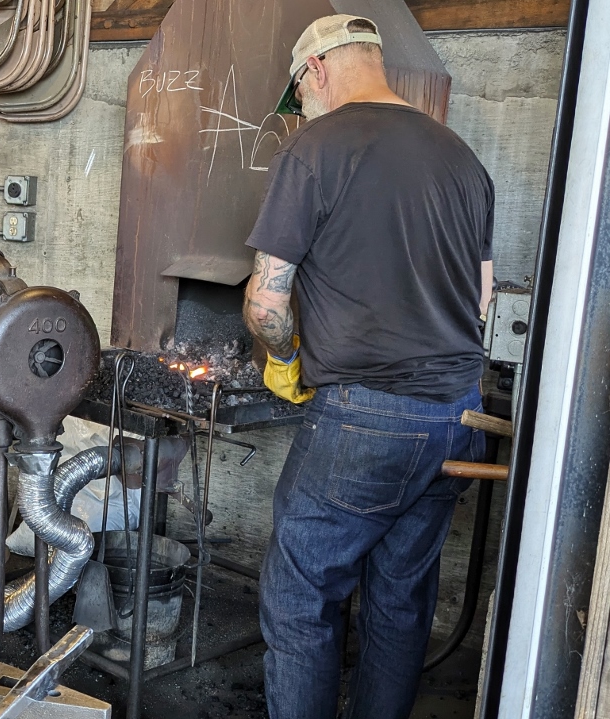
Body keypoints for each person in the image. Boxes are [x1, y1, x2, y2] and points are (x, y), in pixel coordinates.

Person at [242, 14, 494, 719]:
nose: (301, 109)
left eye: (298, 94)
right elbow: (480, 302)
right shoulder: (462, 158)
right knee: (399, 599)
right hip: (458, 414)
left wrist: (288, 358)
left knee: (300, 599)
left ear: (315, 71)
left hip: (365, 419)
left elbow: (266, 302)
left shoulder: (315, 150)